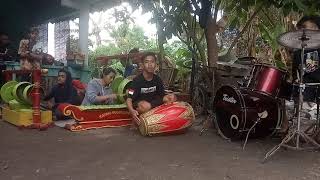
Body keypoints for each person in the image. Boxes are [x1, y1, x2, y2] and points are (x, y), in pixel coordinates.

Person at [126, 52, 177, 124]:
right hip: (141, 104)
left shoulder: (158, 79)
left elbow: (162, 95)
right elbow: (129, 98)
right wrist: (132, 111)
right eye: (146, 62)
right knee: (145, 106)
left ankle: (165, 119)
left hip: (153, 102)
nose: (150, 65)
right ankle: (142, 122)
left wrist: (169, 97)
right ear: (143, 65)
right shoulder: (136, 81)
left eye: (152, 62)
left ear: (156, 64)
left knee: (172, 97)